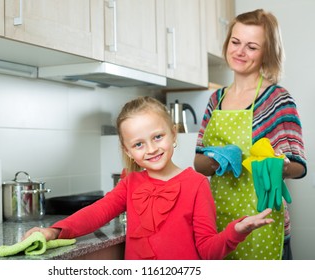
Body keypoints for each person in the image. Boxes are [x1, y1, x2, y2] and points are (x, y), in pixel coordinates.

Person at [22, 96, 274, 260]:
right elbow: (96, 212)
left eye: (157, 137)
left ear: (173, 134)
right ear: (128, 151)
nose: (151, 149)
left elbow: (208, 250)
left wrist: (236, 231)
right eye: (139, 144)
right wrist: (54, 231)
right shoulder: (130, 184)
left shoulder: (196, 185)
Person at [194, 9, 307, 260]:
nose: (240, 51)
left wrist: (280, 166)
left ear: (266, 53)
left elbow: (299, 166)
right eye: (235, 42)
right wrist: (218, 159)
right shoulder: (216, 99)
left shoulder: (277, 100)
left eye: (252, 47)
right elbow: (198, 163)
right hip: (219, 224)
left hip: (263, 222)